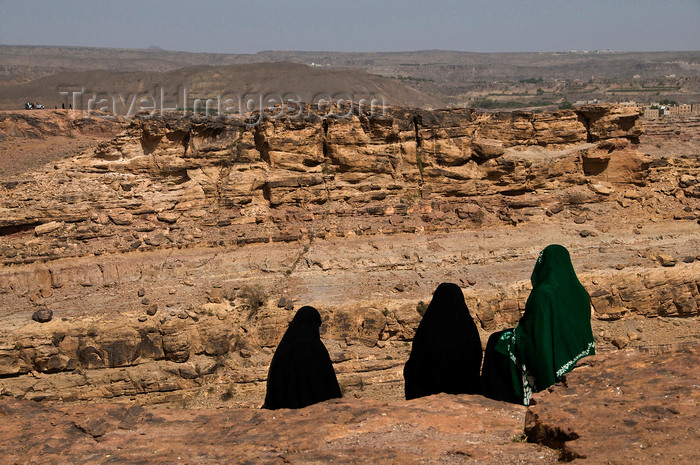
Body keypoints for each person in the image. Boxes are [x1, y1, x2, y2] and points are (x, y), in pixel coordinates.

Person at [483, 244, 595, 405]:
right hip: (576, 352)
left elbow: (531, 333)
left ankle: (499, 400)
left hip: (548, 355)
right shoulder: (579, 291)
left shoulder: (543, 294)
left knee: (497, 342)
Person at [404, 283, 482, 400]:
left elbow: (416, 362)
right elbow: (476, 358)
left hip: (428, 393)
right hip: (463, 390)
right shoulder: (467, 328)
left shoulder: (428, 327)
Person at [263, 306, 341, 409]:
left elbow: (275, 389)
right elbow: (330, 385)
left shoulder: (284, 349)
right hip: (318, 412)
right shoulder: (316, 349)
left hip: (285, 411)